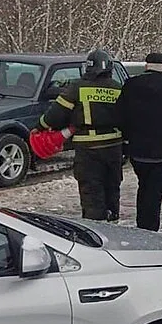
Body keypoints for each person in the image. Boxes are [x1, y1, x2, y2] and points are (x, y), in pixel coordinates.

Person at [35, 48, 123, 221]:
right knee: (112, 187)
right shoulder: (118, 88)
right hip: (114, 147)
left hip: (88, 149)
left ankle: (95, 230)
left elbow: (56, 114)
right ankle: (113, 220)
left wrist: (40, 126)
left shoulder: (77, 87)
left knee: (91, 190)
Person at [115, 52, 162, 231]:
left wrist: (128, 138)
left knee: (143, 186)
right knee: (153, 192)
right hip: (161, 152)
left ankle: (142, 224)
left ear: (147, 66)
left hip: (137, 150)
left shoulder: (130, 86)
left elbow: (120, 115)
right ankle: (149, 229)